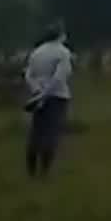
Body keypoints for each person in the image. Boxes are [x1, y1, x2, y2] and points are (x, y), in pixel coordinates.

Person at [23, 23, 75, 179]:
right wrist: (44, 95)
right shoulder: (63, 52)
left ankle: (31, 171)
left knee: (36, 133)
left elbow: (28, 74)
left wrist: (36, 91)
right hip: (57, 97)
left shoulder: (36, 52)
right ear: (61, 35)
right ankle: (45, 172)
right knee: (51, 134)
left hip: (37, 96)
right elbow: (59, 78)